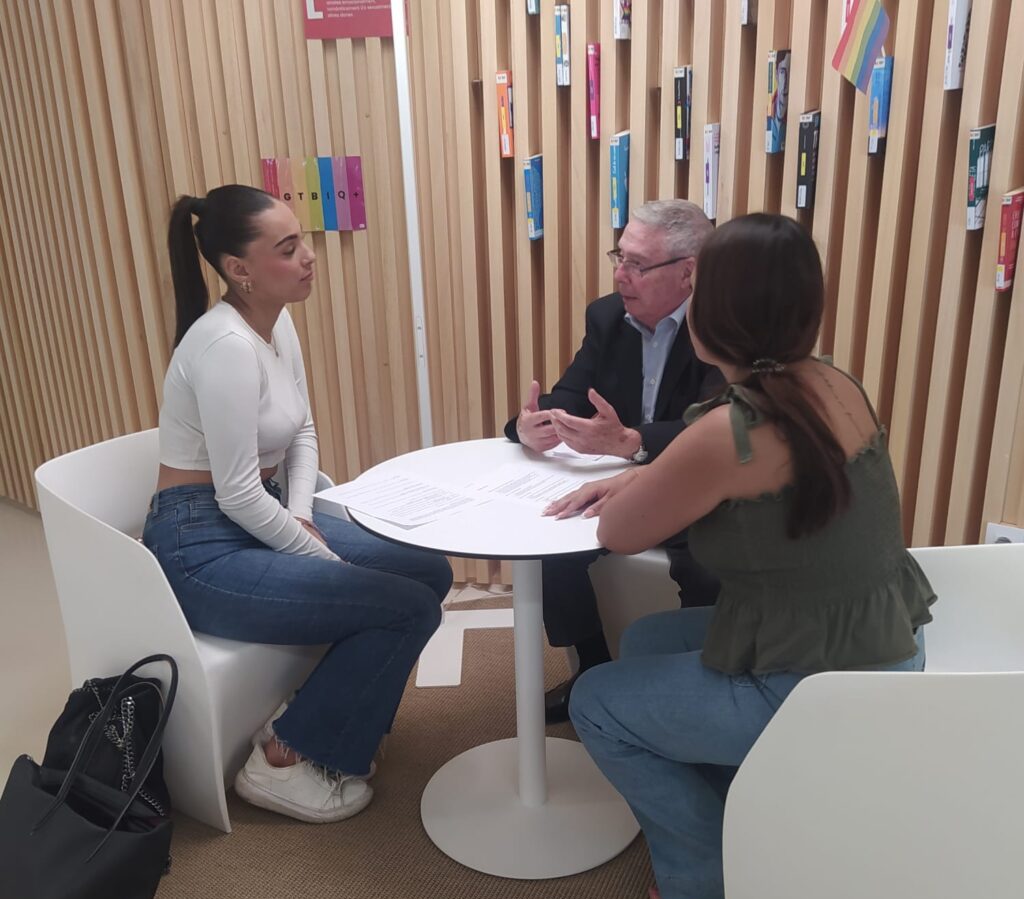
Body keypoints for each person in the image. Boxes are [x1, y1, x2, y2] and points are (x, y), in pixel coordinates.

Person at [545, 214, 936, 899]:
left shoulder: (731, 433)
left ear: (709, 312)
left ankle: (707, 892)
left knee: (597, 701)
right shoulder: (833, 383)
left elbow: (617, 533)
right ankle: (742, 808)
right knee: (650, 638)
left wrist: (639, 476)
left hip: (824, 685)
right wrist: (646, 470)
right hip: (879, 641)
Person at [143, 185, 452, 824]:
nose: (308, 256)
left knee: (427, 569)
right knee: (406, 607)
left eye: (302, 240)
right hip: (199, 545)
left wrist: (303, 515)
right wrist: (318, 553)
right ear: (240, 269)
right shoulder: (225, 346)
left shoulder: (276, 320)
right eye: (287, 249)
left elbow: (301, 433)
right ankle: (287, 760)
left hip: (261, 510)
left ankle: (322, 719)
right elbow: (234, 493)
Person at [505, 199, 723, 723]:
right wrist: (527, 427)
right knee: (547, 538)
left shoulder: (720, 323)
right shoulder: (607, 316)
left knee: (707, 563)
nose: (620, 275)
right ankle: (592, 670)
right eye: (619, 257)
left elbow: (719, 426)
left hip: (696, 486)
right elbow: (568, 398)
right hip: (616, 485)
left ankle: (701, 687)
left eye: (637, 264)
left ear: (688, 272)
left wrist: (633, 442)